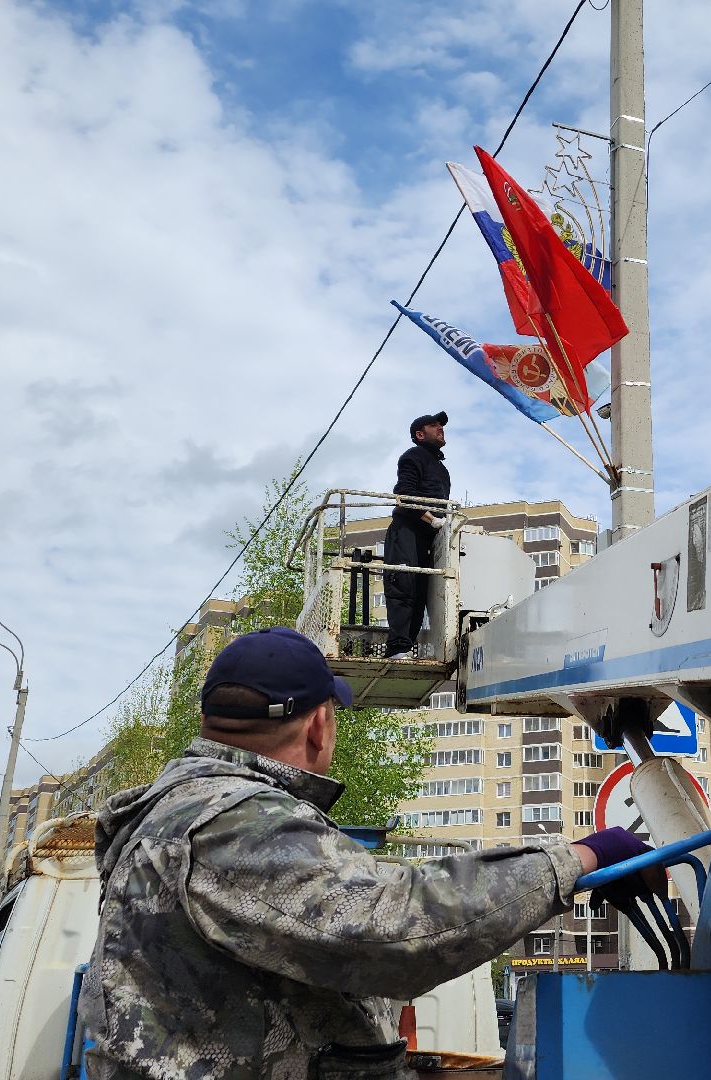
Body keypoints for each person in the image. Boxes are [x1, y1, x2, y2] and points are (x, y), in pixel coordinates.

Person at [78, 627, 647, 1080]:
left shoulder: (180, 810)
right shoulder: (238, 823)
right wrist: (574, 860)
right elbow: (393, 930)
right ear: (320, 725)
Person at [383, 411, 450, 660]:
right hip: (407, 531)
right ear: (419, 434)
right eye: (434, 425)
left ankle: (406, 646)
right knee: (404, 585)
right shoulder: (413, 456)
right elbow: (404, 495)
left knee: (422, 592)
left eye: (441, 425)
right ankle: (398, 647)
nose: (440, 428)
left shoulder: (442, 470)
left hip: (427, 537)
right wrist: (432, 520)